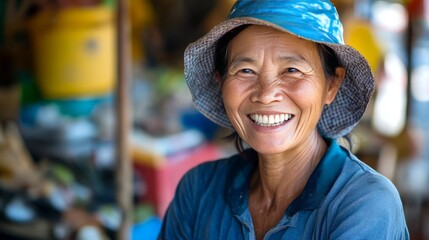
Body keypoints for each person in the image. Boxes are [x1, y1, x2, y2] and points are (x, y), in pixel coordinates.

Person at [159, 0, 410, 239]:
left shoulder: (364, 204)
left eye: (292, 70)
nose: (267, 95)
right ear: (221, 81)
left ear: (332, 85)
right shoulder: (198, 190)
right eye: (245, 70)